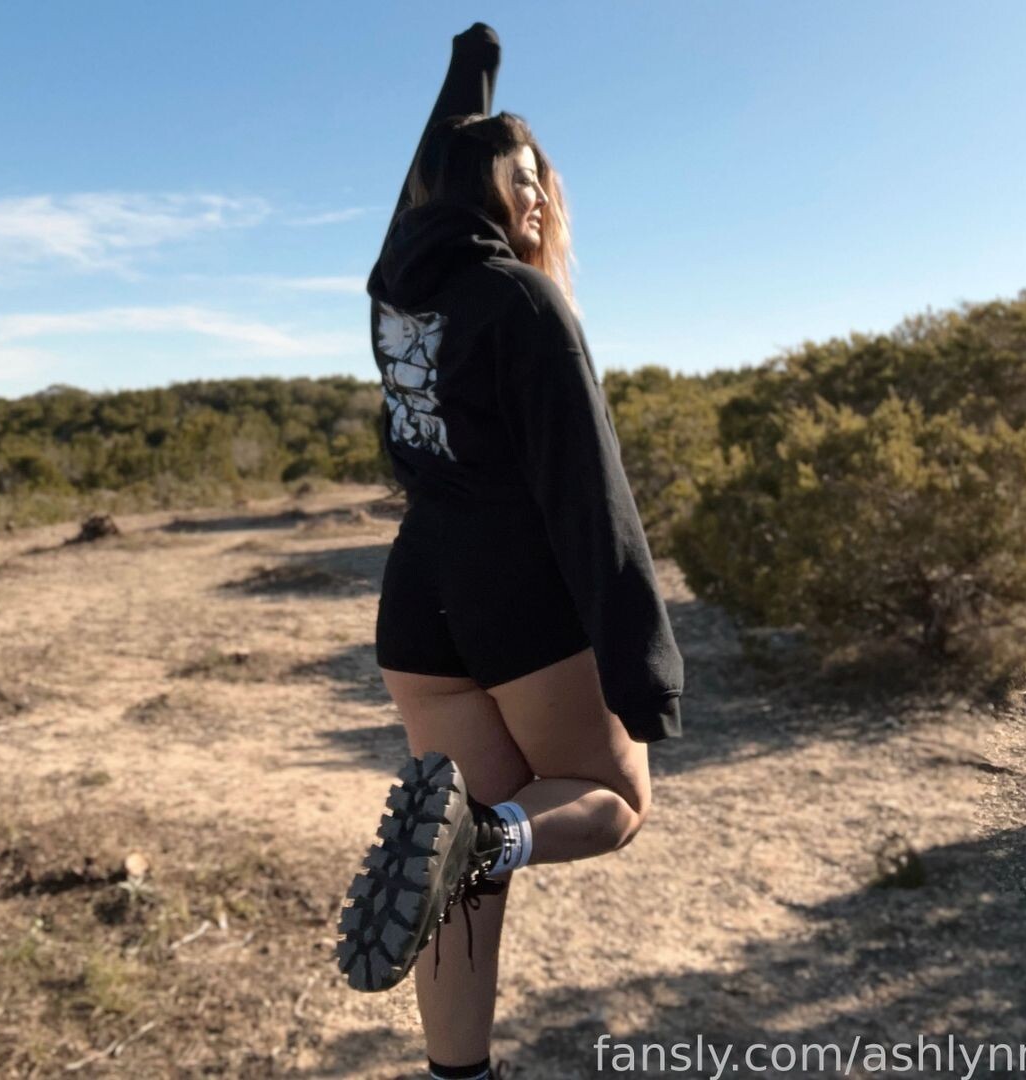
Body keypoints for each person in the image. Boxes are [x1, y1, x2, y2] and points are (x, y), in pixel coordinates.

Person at [333, 22, 686, 1080]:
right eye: (520, 179)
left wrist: (470, 70)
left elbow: (426, 177)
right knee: (612, 802)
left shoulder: (394, 291)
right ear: (483, 189)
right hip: (513, 592)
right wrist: (646, 672)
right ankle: (486, 838)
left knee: (453, 869)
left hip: (417, 598)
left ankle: (459, 1070)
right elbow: (591, 495)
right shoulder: (528, 302)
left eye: (540, 180)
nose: (536, 197)